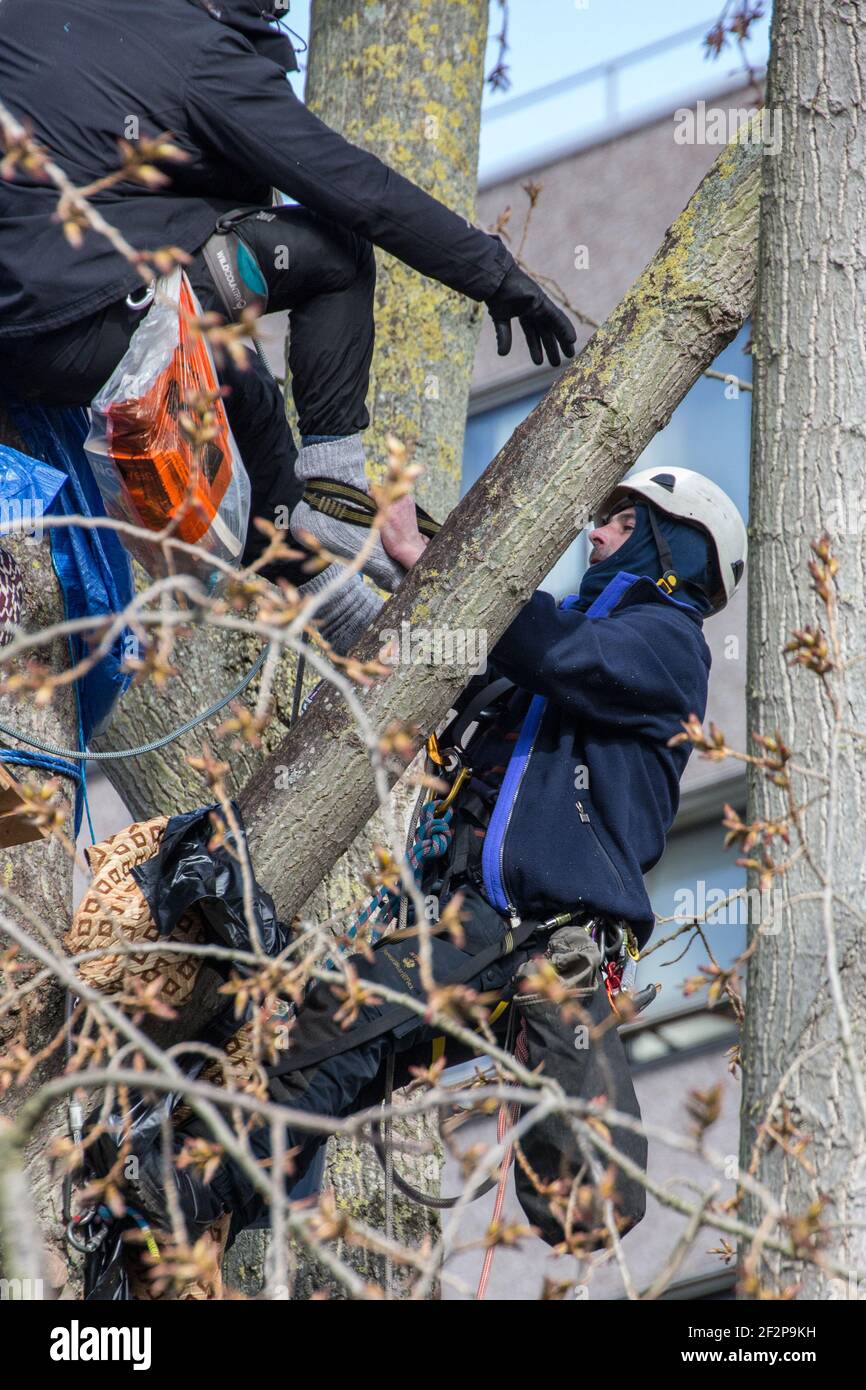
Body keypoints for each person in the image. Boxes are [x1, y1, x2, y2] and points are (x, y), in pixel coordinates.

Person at [86, 466, 747, 1257]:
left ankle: (189, 1198)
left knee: (340, 1019)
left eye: (621, 519)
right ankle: (189, 1204)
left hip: (524, 927)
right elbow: (445, 656)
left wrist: (429, 551)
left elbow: (552, 648)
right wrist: (324, 569)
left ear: (669, 545)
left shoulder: (669, 647)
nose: (595, 532)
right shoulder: (552, 650)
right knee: (337, 1057)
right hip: (469, 920)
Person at [0, 0, 575, 637]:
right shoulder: (204, 54)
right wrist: (494, 275)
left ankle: (346, 621)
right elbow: (359, 193)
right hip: (93, 320)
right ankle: (336, 490)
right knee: (337, 251)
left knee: (242, 385)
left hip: (30, 347)